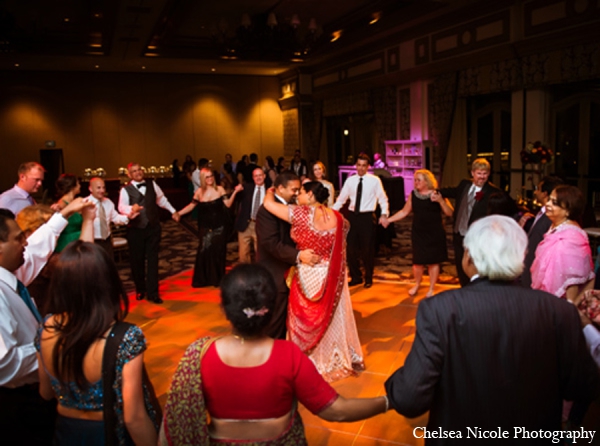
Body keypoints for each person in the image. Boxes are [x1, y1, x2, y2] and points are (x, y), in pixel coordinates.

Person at [384, 215, 600, 441]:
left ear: (468, 257)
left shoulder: (440, 309)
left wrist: (396, 385)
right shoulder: (560, 311)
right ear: (523, 257)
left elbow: (409, 398)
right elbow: (583, 387)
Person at [159, 263, 388, 445]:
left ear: (225, 309)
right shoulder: (288, 355)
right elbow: (336, 411)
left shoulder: (200, 354)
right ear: (271, 308)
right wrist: (389, 401)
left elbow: (178, 421)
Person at [36, 241, 160, 445]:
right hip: (108, 434)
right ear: (107, 283)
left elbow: (46, 392)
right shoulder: (125, 337)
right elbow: (134, 418)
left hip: (66, 432)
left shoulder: (46, 327)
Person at [263, 181, 365, 381]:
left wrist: (270, 191)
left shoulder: (300, 214)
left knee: (308, 317)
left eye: (300, 193)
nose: (297, 197)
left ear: (310, 195)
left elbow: (268, 205)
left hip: (309, 273)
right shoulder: (339, 218)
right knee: (332, 317)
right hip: (332, 274)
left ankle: (311, 360)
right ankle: (334, 357)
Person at [256, 171, 319, 340]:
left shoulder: (291, 207)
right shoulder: (266, 211)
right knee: (274, 322)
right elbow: (271, 244)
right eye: (294, 190)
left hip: (289, 272)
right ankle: (270, 358)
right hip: (274, 274)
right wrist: (299, 255)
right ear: (280, 188)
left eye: (299, 190)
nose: (297, 194)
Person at [382, 170, 453, 298]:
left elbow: (450, 213)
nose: (415, 182)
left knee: (433, 261)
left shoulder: (437, 193)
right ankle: (417, 284)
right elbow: (404, 212)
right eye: (415, 180)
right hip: (418, 232)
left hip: (435, 232)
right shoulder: (413, 195)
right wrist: (389, 220)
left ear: (427, 181)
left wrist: (441, 201)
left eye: (418, 180)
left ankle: (431, 288)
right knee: (417, 262)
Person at [118, 162, 180, 304]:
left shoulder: (152, 184)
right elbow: (121, 207)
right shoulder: (125, 190)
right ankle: (140, 289)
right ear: (129, 175)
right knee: (137, 261)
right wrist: (130, 209)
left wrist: (173, 211)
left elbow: (162, 200)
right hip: (136, 229)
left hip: (153, 227)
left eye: (139, 169)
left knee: (153, 260)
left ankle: (153, 293)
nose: (138, 172)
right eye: (134, 171)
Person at [174, 168, 242, 287]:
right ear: (203, 179)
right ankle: (204, 279)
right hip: (205, 227)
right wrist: (179, 213)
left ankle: (217, 279)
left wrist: (235, 192)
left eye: (211, 176)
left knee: (218, 251)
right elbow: (191, 206)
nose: (210, 179)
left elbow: (228, 204)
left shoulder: (219, 189)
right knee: (204, 251)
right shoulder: (199, 192)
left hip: (220, 226)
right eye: (207, 177)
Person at [440, 158, 501, 286]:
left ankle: (475, 291)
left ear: (489, 174)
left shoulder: (493, 192)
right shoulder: (464, 184)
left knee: (475, 267)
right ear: (472, 173)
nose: (482, 177)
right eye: (479, 173)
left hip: (476, 237)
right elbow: (451, 191)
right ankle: (464, 289)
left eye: (485, 174)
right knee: (460, 265)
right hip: (458, 234)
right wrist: (433, 191)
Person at [333, 153, 389, 289]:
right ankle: (356, 277)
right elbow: (341, 199)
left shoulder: (375, 180)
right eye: (359, 165)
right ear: (356, 165)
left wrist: (384, 214)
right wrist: (332, 212)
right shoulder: (350, 180)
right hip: (353, 216)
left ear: (368, 167)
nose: (361, 168)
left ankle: (368, 277)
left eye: (364, 166)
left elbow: (382, 198)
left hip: (367, 217)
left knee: (367, 249)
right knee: (350, 249)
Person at [531, 185, 595, 301]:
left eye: (554, 203)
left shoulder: (570, 239)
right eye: (549, 199)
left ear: (568, 211)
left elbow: (572, 282)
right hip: (547, 303)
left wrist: (569, 311)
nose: (548, 204)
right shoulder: (557, 227)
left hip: (561, 308)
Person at [520, 176, 563, 288]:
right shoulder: (541, 214)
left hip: (537, 272)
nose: (535, 192)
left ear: (545, 193)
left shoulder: (551, 217)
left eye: (538, 189)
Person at [87, 177, 132, 257]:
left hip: (107, 241)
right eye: (98, 188)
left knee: (108, 267)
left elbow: (115, 218)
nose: (102, 191)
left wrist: (128, 217)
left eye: (103, 187)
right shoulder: (85, 203)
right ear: (91, 189)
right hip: (92, 242)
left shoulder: (108, 202)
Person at [234, 167, 266, 264]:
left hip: (261, 225)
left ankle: (260, 275)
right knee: (243, 255)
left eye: (260, 175)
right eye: (256, 176)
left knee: (260, 254)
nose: (258, 178)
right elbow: (235, 200)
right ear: (253, 178)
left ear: (264, 176)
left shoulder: (270, 191)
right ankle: (246, 276)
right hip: (246, 224)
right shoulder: (246, 188)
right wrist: (236, 191)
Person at [52, 174, 84, 253]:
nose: (80, 186)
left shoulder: (75, 202)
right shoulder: (61, 205)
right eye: (78, 183)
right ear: (73, 186)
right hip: (67, 244)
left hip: (78, 242)